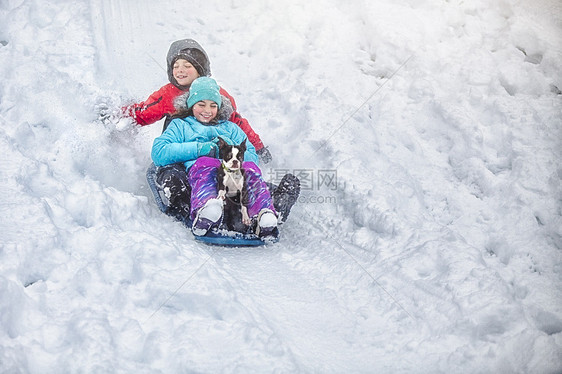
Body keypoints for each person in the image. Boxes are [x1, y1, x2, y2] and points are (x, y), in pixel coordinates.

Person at [151, 77, 279, 239]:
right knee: (207, 164)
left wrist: (233, 151)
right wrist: (199, 149)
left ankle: (263, 215)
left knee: (251, 170)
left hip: (233, 177)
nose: (207, 110)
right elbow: (159, 151)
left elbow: (252, 157)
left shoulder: (230, 128)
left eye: (213, 106)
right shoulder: (181, 125)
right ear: (191, 105)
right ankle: (208, 212)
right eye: (201, 104)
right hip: (201, 173)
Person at [124, 38, 272, 163]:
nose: (180, 70)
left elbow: (236, 122)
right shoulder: (168, 94)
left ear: (199, 69)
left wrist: (257, 147)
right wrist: (121, 117)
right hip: (182, 148)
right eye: (176, 67)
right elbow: (145, 112)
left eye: (187, 66)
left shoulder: (216, 94)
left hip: (213, 148)